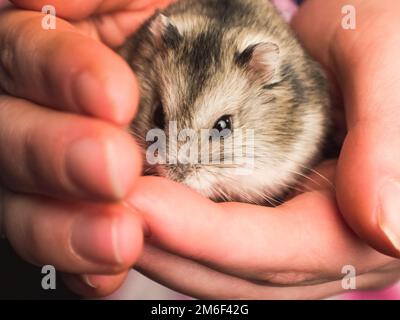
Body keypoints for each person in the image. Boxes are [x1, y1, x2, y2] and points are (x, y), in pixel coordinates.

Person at [0, 0, 399, 299]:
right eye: (161, 117)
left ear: (266, 77)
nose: (177, 163)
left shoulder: (296, 111)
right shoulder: (147, 57)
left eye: (220, 128)